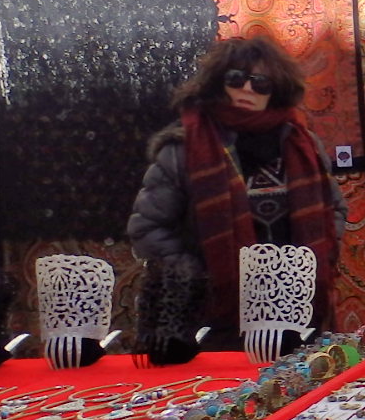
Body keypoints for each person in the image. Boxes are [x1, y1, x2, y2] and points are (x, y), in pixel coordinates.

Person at [128, 36, 345, 330]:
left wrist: (314, 262)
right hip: (215, 312)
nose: (247, 89)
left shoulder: (302, 144)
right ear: (218, 83)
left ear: (276, 90)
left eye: (261, 83)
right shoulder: (184, 148)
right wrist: (201, 275)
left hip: (297, 305)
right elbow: (148, 227)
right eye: (236, 79)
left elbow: (335, 209)